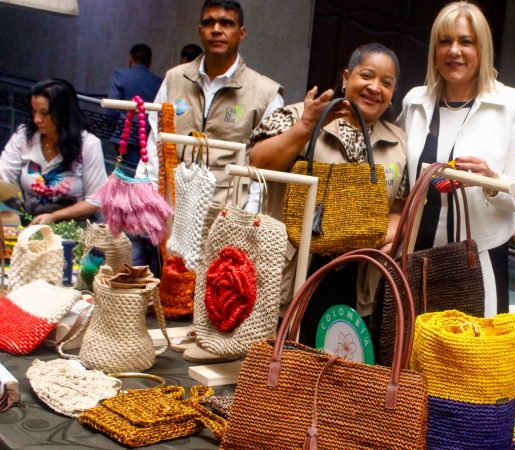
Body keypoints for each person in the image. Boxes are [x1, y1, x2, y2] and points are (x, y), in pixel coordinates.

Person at [250, 43, 406, 345]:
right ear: (346, 77)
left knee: (341, 366)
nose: (375, 87)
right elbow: (258, 163)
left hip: (358, 276)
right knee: (287, 363)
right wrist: (306, 126)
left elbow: (398, 204)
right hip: (298, 268)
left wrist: (390, 234)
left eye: (386, 83)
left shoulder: (397, 141)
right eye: (367, 76)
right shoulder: (297, 115)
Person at [398, 1, 515, 317]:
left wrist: (489, 180)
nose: (453, 51)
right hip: (416, 256)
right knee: (409, 352)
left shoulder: (511, 104)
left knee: (470, 359)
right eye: (445, 41)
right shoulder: (415, 102)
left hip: (479, 256)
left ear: (482, 49)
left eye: (465, 42)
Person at [132, 0, 284, 276]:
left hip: (226, 211)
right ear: (200, 30)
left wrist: (246, 218)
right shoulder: (175, 79)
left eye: (226, 23)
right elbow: (155, 141)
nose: (217, 29)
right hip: (173, 208)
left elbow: (265, 170)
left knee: (214, 299)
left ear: (242, 32)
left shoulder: (265, 94)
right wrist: (150, 201)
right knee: (167, 292)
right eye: (209, 22)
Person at [0, 79, 107, 224]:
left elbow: (96, 201)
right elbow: (4, 176)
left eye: (44, 113)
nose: (37, 119)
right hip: (30, 222)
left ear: (62, 113)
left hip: (73, 228)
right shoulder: (24, 136)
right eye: (34, 111)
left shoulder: (89, 144)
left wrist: (54, 216)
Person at [107, 43, 163, 175]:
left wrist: (110, 129)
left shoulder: (120, 75)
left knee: (122, 171)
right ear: (150, 62)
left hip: (123, 132)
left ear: (130, 59)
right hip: (146, 135)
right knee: (139, 171)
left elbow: (112, 108)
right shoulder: (158, 82)